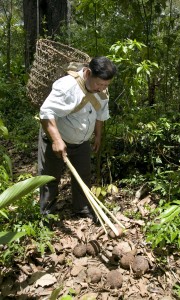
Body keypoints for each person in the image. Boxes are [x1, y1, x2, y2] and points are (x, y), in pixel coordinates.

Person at [38, 56, 117, 223]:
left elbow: (100, 114)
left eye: (105, 85)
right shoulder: (67, 87)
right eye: (99, 84)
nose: (101, 88)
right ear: (88, 73)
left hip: (81, 142)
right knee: (50, 178)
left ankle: (82, 208)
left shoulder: (102, 90)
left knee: (83, 175)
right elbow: (46, 113)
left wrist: (97, 136)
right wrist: (57, 141)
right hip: (57, 138)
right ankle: (47, 215)